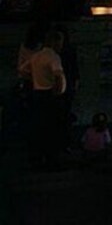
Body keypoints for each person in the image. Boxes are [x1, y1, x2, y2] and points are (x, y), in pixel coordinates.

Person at [28, 28, 67, 168]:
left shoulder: (36, 56)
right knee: (53, 128)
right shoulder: (53, 57)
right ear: (54, 42)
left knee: (40, 126)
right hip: (50, 94)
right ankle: (52, 160)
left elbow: (23, 69)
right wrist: (57, 92)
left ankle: (39, 157)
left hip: (37, 92)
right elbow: (57, 75)